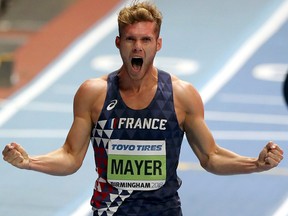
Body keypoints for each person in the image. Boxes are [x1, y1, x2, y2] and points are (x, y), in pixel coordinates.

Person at [2, 2, 284, 216]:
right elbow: (70, 156)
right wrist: (30, 162)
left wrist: (255, 165)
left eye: (145, 40)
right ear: (118, 43)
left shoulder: (181, 96)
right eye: (130, 40)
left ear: (158, 44)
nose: (138, 47)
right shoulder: (94, 94)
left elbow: (211, 156)